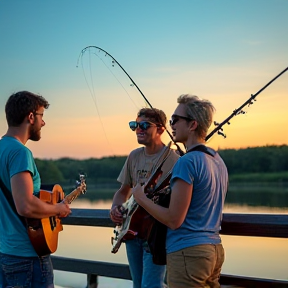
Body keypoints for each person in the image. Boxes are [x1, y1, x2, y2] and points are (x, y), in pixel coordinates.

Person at [132, 94, 229, 288]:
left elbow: (174, 219)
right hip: (214, 251)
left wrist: (141, 198)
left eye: (176, 120)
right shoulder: (218, 160)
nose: (172, 125)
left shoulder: (187, 162)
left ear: (192, 125)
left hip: (188, 253)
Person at [0, 91, 71, 288]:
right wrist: (59, 209)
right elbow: (25, 206)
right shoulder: (20, 153)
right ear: (31, 117)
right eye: (41, 116)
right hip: (27, 258)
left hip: (6, 253)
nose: (43, 123)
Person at [110, 107, 180, 288]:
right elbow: (123, 190)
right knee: (138, 284)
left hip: (156, 234)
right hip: (132, 232)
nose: (138, 129)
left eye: (144, 125)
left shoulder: (175, 159)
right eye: (135, 125)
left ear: (161, 129)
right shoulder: (134, 156)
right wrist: (115, 208)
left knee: (151, 285)